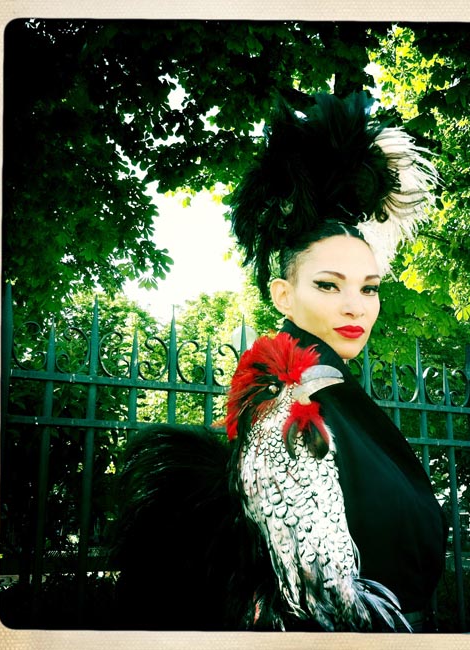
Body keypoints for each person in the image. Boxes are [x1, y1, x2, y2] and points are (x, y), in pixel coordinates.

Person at [113, 92, 446, 633]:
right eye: (328, 285)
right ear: (282, 295)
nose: (355, 306)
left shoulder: (338, 395)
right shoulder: (290, 396)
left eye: (369, 287)